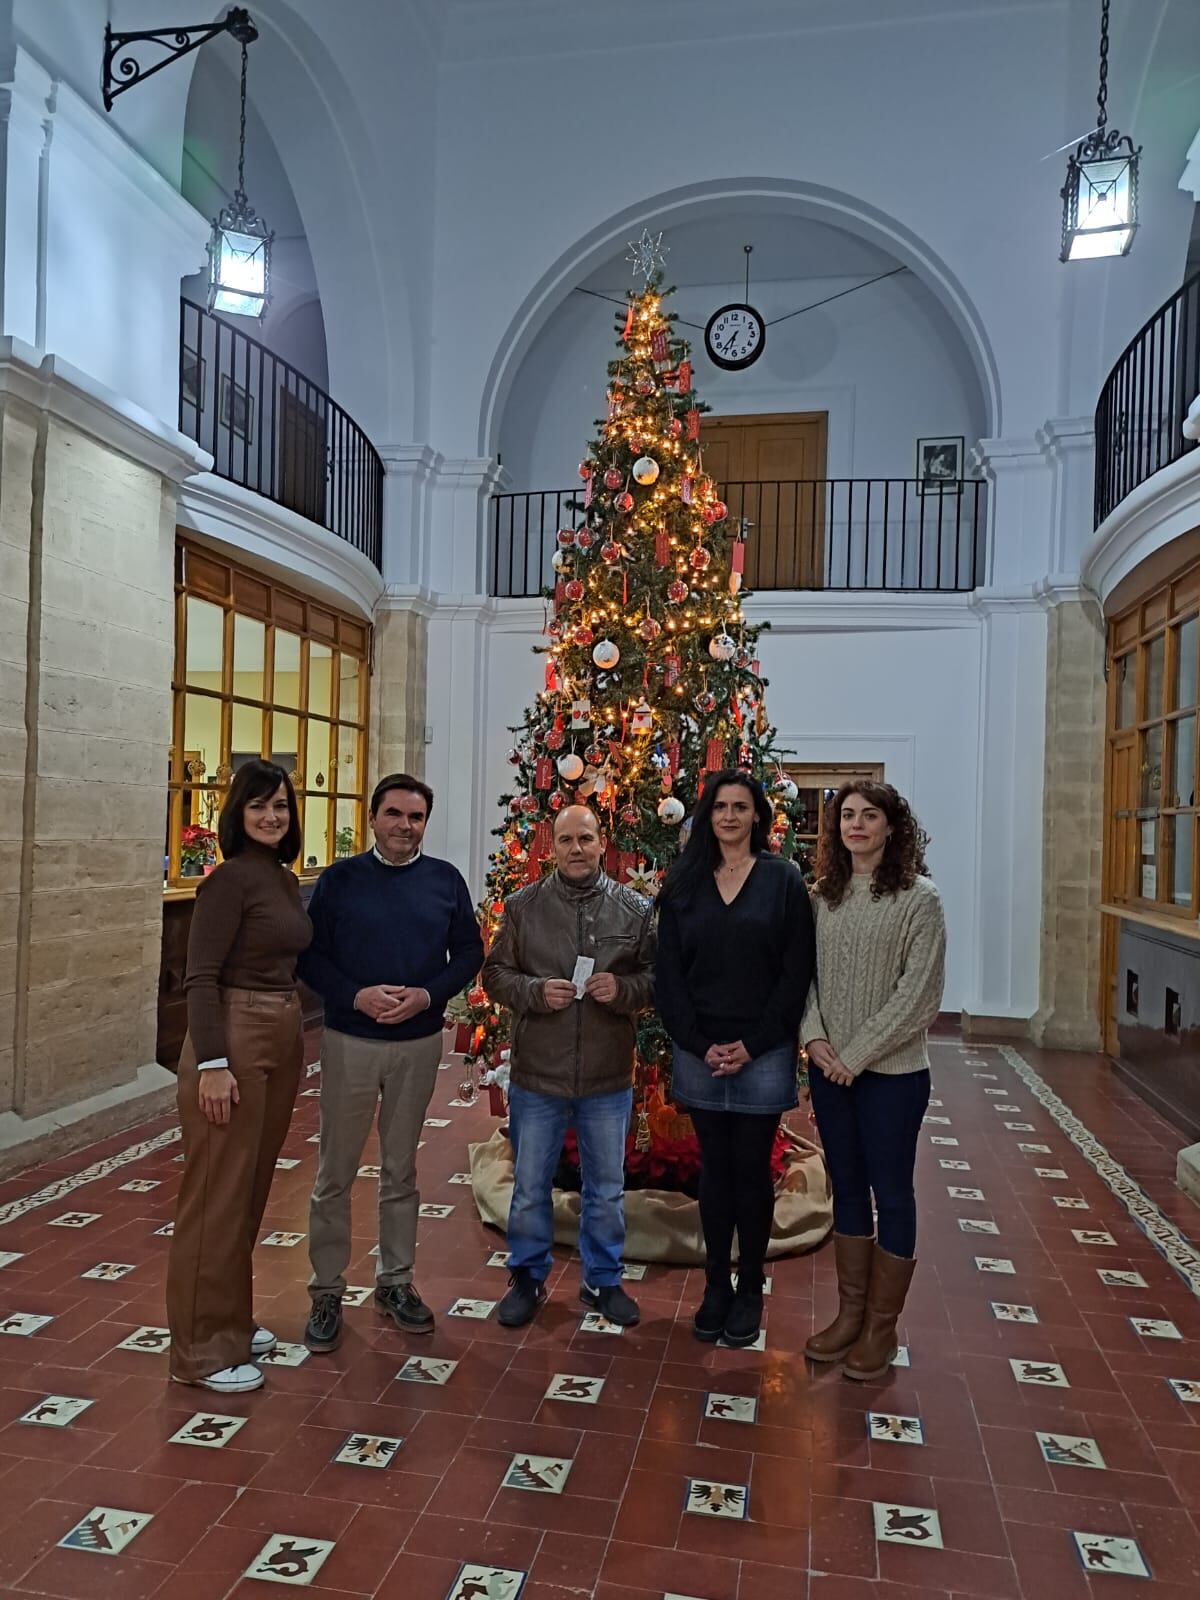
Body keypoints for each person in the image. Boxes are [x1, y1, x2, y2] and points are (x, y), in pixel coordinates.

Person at [300, 774, 484, 1351]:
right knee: (336, 1171)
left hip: (417, 1043)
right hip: (350, 1040)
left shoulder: (444, 881)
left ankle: (396, 1282)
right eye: (396, 814)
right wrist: (356, 995)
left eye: (417, 817)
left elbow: (471, 952)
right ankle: (326, 1289)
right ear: (373, 816)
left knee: (401, 1170)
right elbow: (310, 956)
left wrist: (428, 996)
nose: (406, 826)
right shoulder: (340, 880)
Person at [166, 760, 312, 1393]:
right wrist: (214, 1065)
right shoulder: (226, 881)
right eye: (258, 806)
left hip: (280, 1030)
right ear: (237, 813)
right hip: (234, 1035)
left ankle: (230, 1316)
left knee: (250, 1188)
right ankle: (199, 1350)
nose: (271, 815)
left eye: (280, 804)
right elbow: (200, 977)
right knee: (217, 1194)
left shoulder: (279, 877)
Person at [656, 771, 815, 1349]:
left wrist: (755, 1043)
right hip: (701, 1047)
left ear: (757, 816)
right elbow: (668, 975)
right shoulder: (683, 882)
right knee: (714, 1171)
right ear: (707, 814)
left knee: (752, 1171)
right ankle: (715, 1286)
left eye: (740, 807)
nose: (728, 816)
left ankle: (750, 1287)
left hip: (763, 1049)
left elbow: (795, 973)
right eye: (720, 806)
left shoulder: (782, 880)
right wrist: (699, 1044)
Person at [481, 805, 656, 1328]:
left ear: (603, 843)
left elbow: (656, 980)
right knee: (531, 1185)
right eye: (565, 840)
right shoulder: (522, 907)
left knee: (606, 1188)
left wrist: (623, 990)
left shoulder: (633, 909)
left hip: (606, 1078)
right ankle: (527, 1277)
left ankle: (602, 1280)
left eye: (585, 838)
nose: (575, 849)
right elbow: (494, 975)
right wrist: (534, 991)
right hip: (539, 1076)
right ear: (550, 847)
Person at [802, 781, 946, 1381]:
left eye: (870, 815)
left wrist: (852, 1057)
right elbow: (802, 977)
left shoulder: (920, 899)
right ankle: (849, 1314)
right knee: (848, 1187)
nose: (856, 825)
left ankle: (881, 1327)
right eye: (847, 816)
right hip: (830, 1068)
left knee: (892, 1192)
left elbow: (919, 997)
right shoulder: (822, 897)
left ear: (892, 826)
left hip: (891, 1076)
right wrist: (813, 1040)